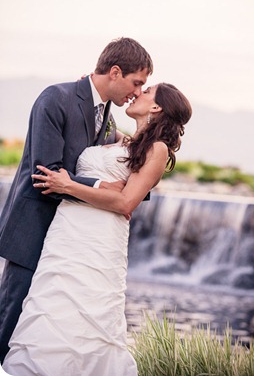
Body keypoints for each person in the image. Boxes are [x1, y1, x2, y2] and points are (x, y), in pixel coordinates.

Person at [2, 83, 192, 376]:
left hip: (99, 239)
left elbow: (127, 202)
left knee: (88, 315)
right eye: (139, 84)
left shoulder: (157, 150)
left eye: (146, 89)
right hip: (66, 233)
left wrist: (69, 185)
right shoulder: (118, 137)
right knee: (50, 306)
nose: (137, 92)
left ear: (156, 107)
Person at [0, 37, 153, 363]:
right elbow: (44, 173)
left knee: (44, 330)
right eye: (136, 82)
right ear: (115, 72)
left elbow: (126, 164)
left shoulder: (108, 115)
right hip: (34, 230)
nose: (138, 91)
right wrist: (101, 184)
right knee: (10, 321)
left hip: (72, 243)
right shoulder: (56, 98)